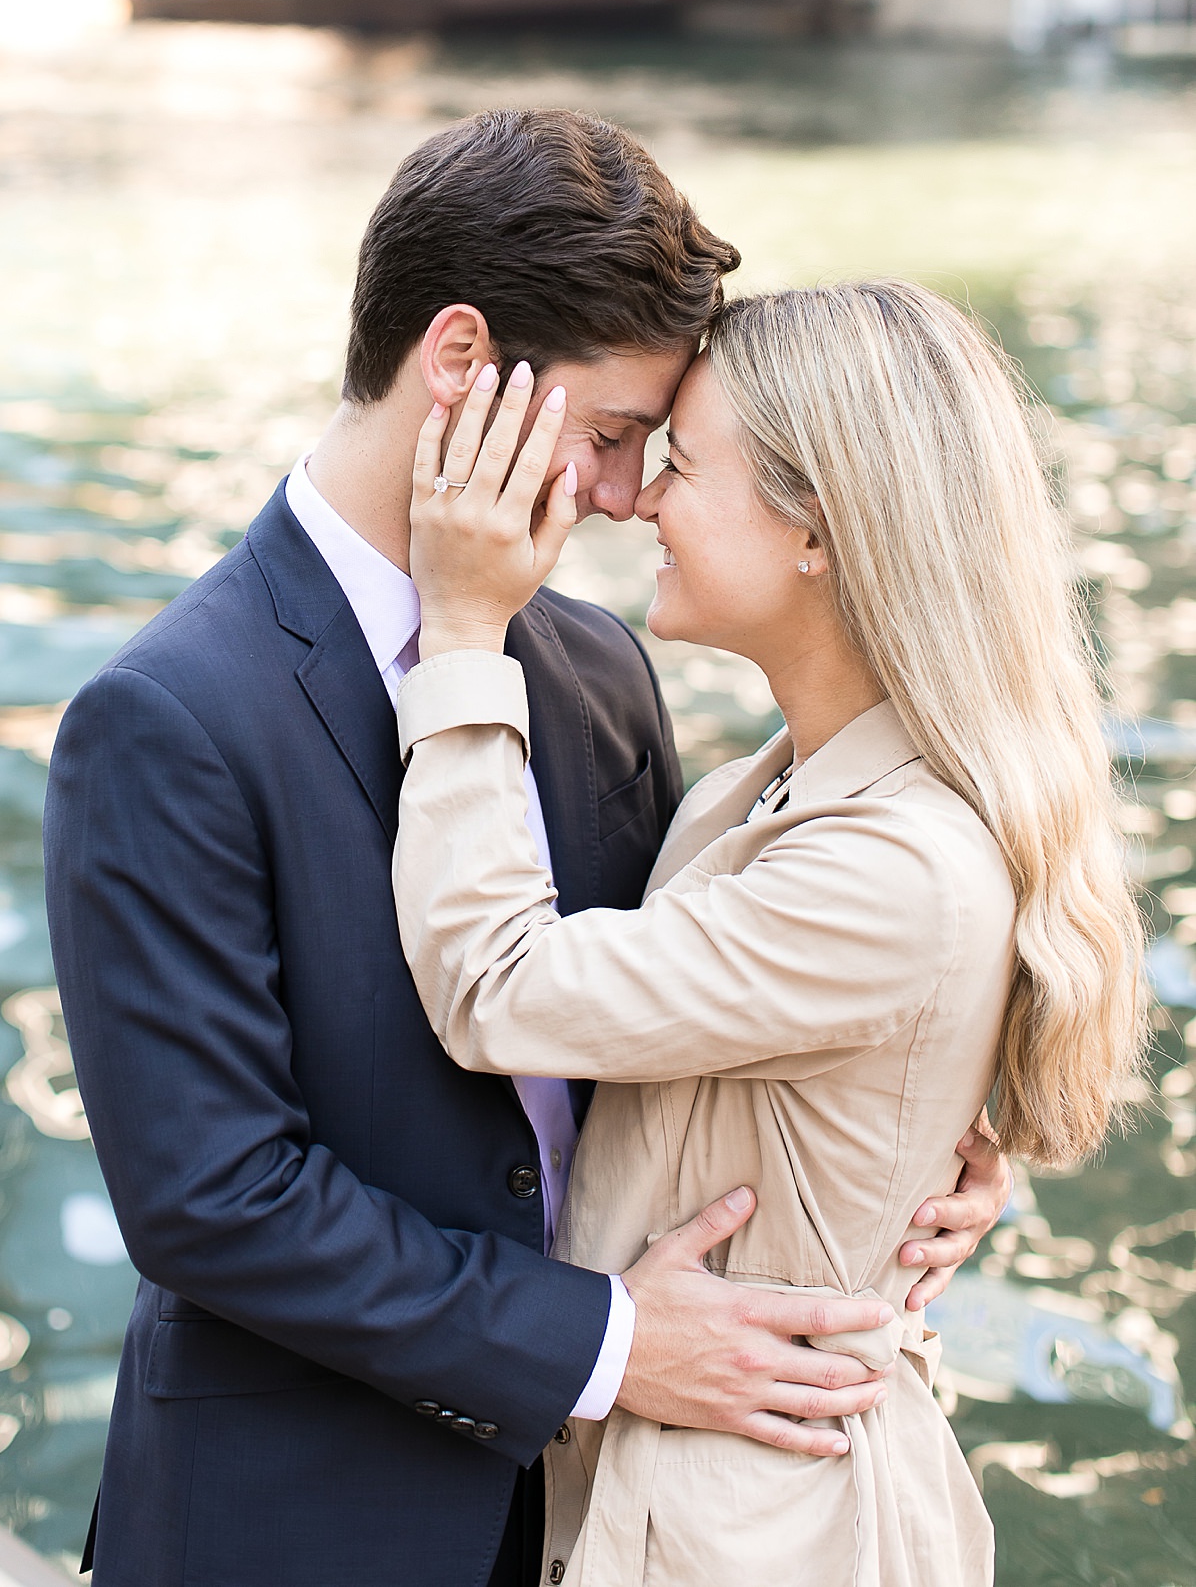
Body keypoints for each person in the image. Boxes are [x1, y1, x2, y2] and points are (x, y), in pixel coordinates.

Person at [42, 114, 1013, 1587]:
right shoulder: (169, 711)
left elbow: (673, 1014)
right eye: (615, 433)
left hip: (607, 1516)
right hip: (302, 1517)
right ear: (456, 363)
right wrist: (609, 1344)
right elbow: (214, 1198)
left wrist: (921, 1137)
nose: (628, 496)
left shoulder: (595, 667)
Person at [392, 278, 1148, 1587]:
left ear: (819, 532)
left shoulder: (893, 865)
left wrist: (459, 631)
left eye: (683, 464)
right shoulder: (774, 792)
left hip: (764, 1528)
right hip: (690, 1495)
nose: (639, 501)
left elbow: (494, 984)